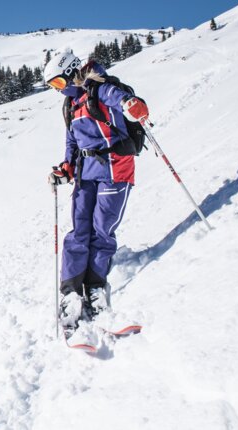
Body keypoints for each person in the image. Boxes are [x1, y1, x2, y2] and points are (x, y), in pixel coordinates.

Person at [43, 49, 149, 337]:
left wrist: (131, 104)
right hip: (85, 172)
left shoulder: (99, 88)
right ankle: (71, 294)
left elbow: (118, 98)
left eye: (58, 83)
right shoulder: (70, 105)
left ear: (70, 73)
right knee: (79, 231)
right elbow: (72, 142)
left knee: (102, 231)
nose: (57, 90)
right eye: (53, 86)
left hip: (115, 167)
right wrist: (66, 168)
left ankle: (96, 289)